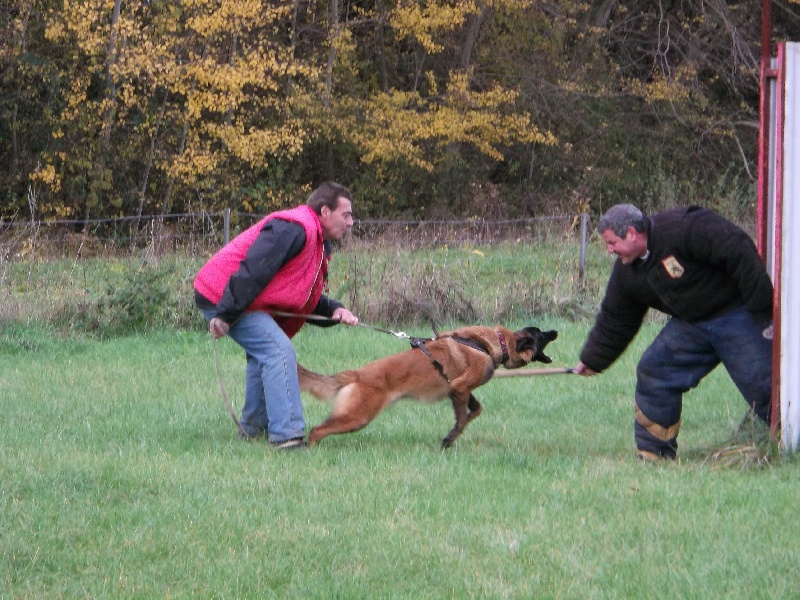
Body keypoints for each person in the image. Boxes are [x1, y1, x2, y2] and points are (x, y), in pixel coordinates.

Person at [573, 204, 774, 461]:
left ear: (632, 234)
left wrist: (762, 310)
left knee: (765, 385)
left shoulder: (685, 228)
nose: (609, 250)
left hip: (736, 313)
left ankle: (786, 443)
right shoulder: (627, 273)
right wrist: (593, 360)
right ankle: (654, 454)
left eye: (612, 243)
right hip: (691, 325)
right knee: (655, 371)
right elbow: (615, 320)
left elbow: (738, 249)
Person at [194, 182, 359, 449]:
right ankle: (287, 438)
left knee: (267, 353)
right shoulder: (294, 228)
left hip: (240, 299)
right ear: (325, 212)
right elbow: (253, 270)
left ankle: (254, 429)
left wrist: (334, 309)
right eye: (346, 214)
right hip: (221, 294)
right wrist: (225, 315)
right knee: (278, 352)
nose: (351, 222)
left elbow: (301, 294)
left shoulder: (317, 242)